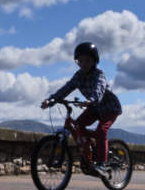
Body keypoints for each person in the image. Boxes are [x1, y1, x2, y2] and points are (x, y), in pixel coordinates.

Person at [40, 42, 122, 175]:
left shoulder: (99, 74)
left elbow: (99, 88)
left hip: (109, 107)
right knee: (78, 126)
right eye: (80, 61)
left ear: (94, 61)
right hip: (94, 108)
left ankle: (101, 163)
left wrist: (91, 100)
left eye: (87, 61)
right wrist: (51, 100)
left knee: (101, 130)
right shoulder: (78, 76)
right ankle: (90, 154)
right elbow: (66, 88)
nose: (83, 64)